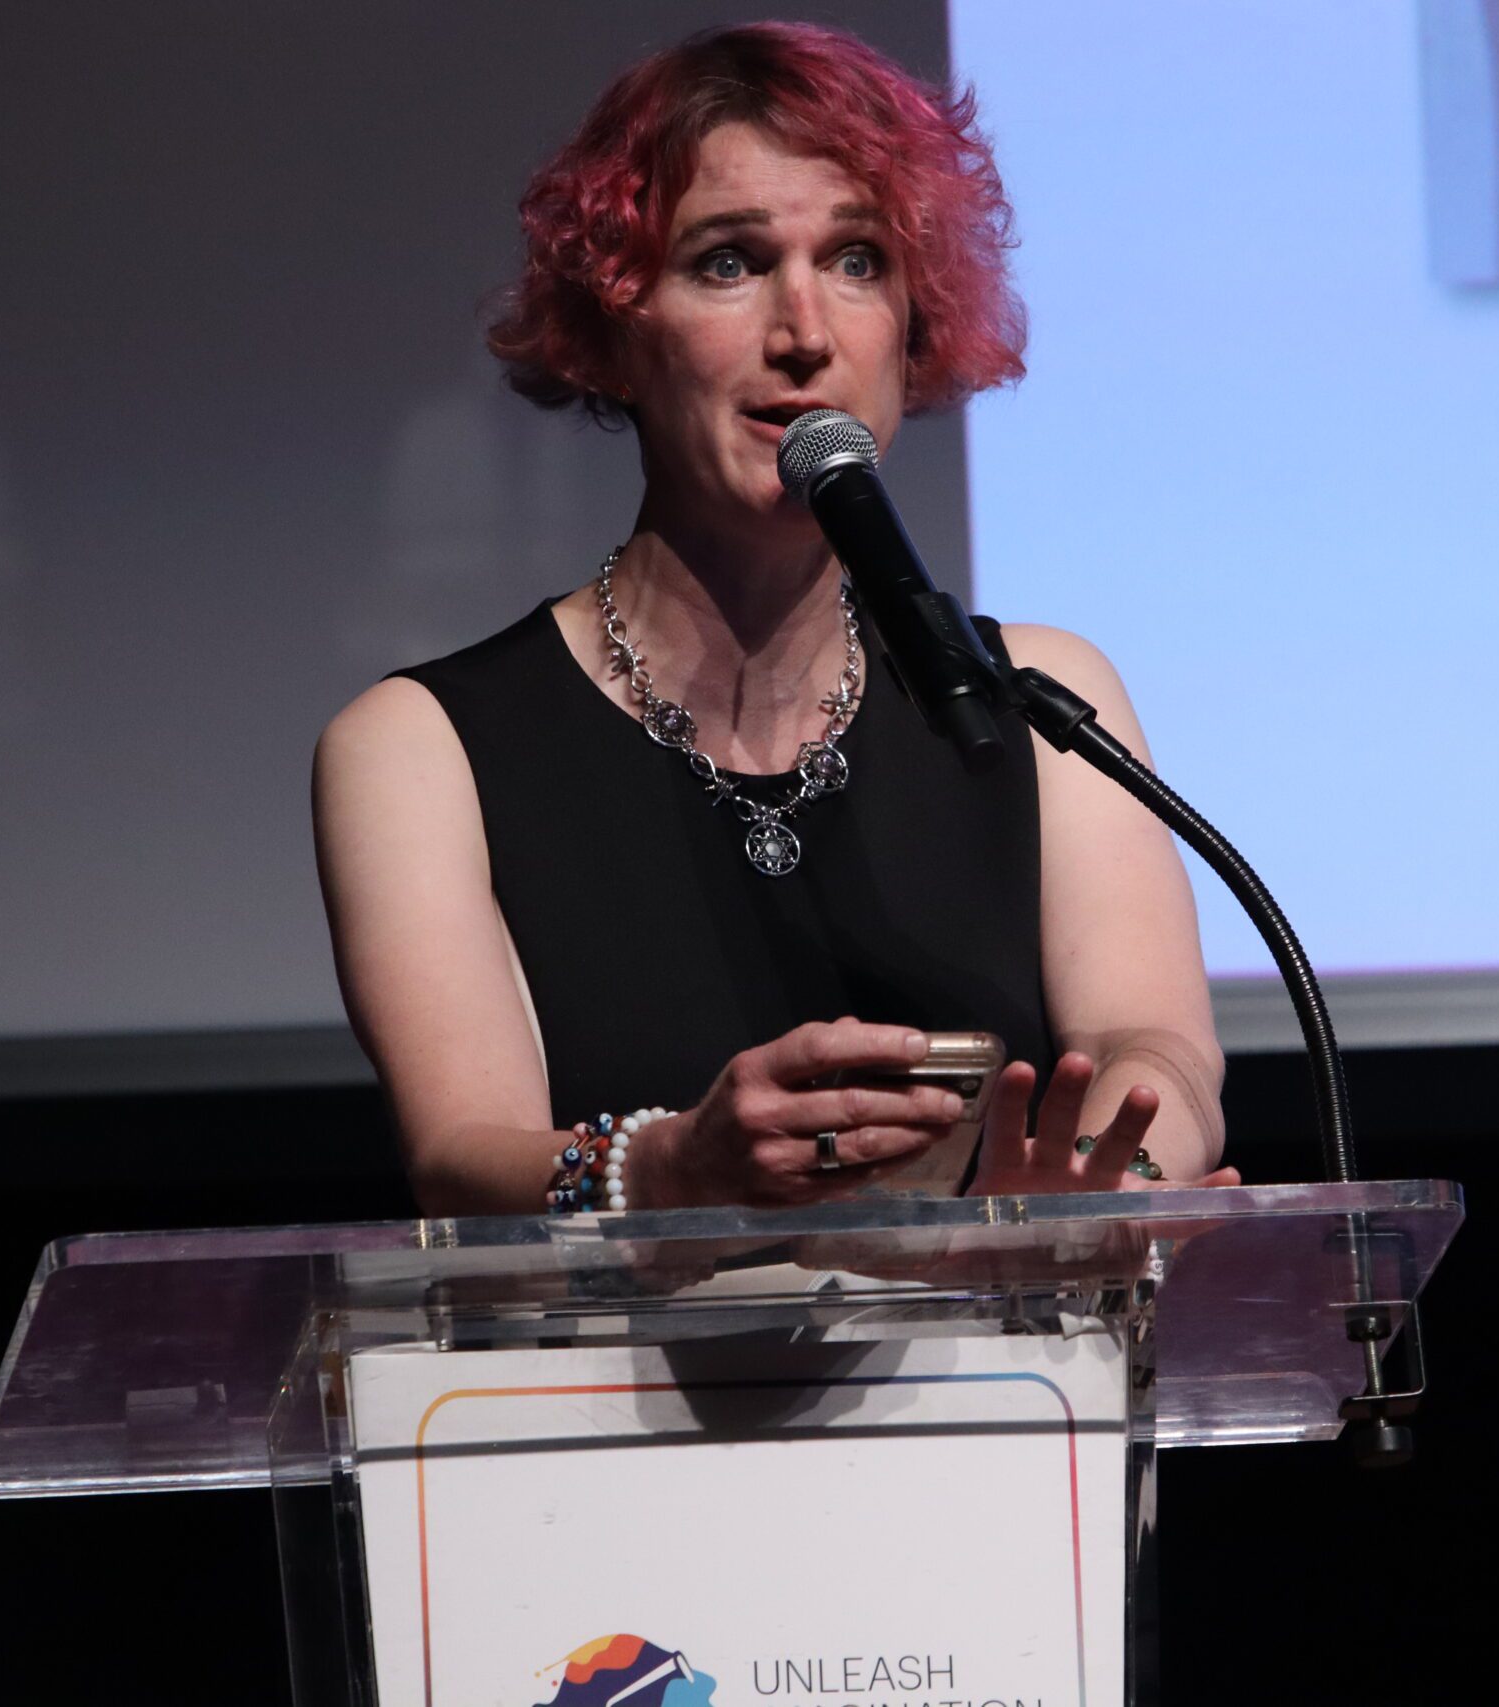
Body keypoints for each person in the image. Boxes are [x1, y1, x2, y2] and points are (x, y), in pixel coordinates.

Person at [313, 22, 1235, 1217]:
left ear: (913, 326)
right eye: (729, 264)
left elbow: (1157, 1047)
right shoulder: (417, 747)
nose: (805, 332)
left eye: (856, 261)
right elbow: (460, 1154)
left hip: (1001, 1335)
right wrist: (672, 1167)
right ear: (614, 329)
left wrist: (1098, 1182)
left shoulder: (1042, 695)